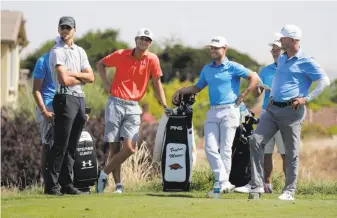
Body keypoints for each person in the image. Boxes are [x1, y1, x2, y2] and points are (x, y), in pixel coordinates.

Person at [247, 24, 330, 200]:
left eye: (283, 38)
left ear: (293, 40)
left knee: (291, 152)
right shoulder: (283, 58)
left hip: (292, 111)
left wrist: (306, 99)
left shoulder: (306, 60)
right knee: (255, 140)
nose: (280, 40)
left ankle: (289, 190)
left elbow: (324, 81)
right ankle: (257, 186)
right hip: (272, 109)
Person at [172, 36, 260, 194]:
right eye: (211, 48)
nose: (213, 50)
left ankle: (219, 186)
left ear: (224, 49)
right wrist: (181, 90)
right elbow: (197, 87)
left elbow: (254, 77)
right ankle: (224, 181)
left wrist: (244, 94)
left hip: (230, 110)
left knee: (225, 149)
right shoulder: (207, 69)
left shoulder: (232, 67)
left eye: (216, 48)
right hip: (213, 111)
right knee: (210, 147)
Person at [96, 28, 169, 193]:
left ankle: (103, 174)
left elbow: (157, 83)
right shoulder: (121, 54)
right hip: (115, 103)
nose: (144, 42)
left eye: (148, 40)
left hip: (133, 106)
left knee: (129, 148)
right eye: (142, 38)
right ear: (136, 40)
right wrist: (107, 84)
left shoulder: (152, 59)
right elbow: (100, 64)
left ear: (150, 43)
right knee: (114, 148)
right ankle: (119, 186)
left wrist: (164, 104)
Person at [44, 16, 95, 195]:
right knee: (61, 144)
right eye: (62, 28)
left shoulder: (80, 51)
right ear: (59, 30)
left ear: (74, 30)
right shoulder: (57, 51)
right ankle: (52, 186)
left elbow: (92, 77)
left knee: (72, 144)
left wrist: (73, 74)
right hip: (64, 99)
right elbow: (63, 79)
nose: (65, 30)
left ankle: (66, 184)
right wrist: (80, 77)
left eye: (68, 28)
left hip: (80, 99)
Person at [234, 40, 286, 194]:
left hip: (284, 115)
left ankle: (288, 187)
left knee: (285, 153)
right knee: (265, 151)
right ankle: (266, 184)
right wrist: (257, 88)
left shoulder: (289, 69)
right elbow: (258, 93)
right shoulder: (265, 70)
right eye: (273, 50)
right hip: (266, 113)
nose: (275, 52)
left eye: (278, 50)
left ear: (284, 51)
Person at [32, 38, 61, 181]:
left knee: (64, 144)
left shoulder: (66, 61)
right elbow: (36, 90)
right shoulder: (42, 61)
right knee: (47, 145)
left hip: (62, 105)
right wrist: (44, 112)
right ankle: (46, 183)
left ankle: (61, 181)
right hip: (47, 106)